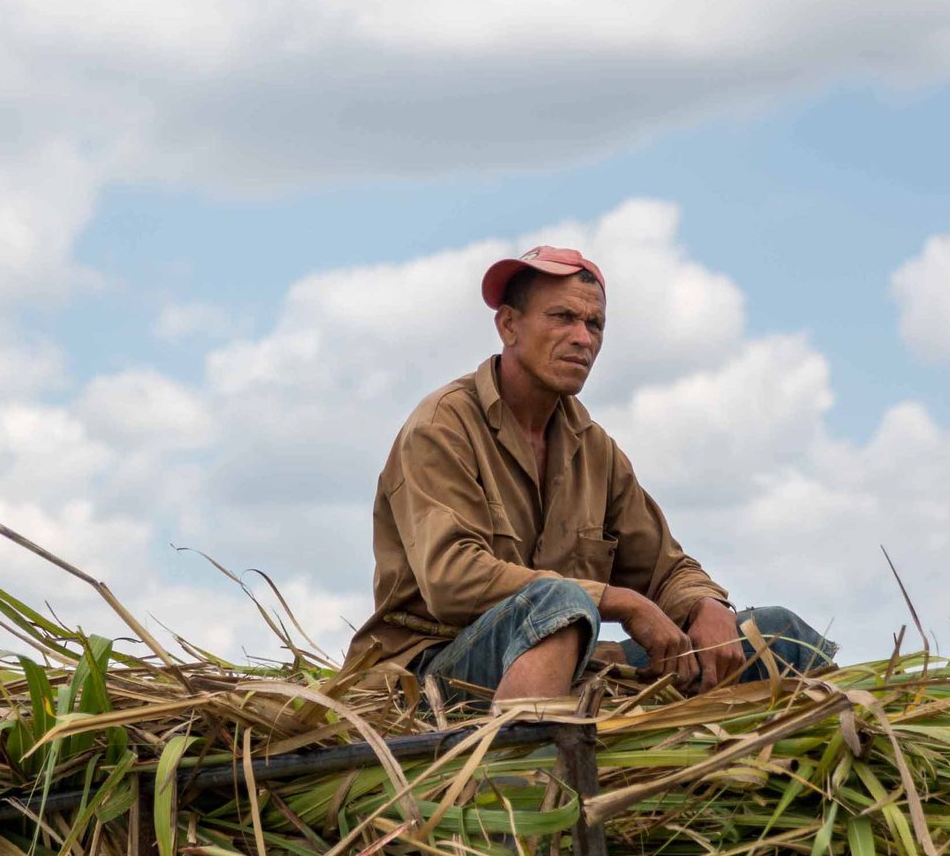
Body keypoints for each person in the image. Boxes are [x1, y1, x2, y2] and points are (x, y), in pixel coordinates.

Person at [343, 243, 834, 703]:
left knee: (776, 634)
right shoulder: (442, 427)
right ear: (509, 326)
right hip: (431, 672)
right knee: (559, 604)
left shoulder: (595, 449)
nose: (582, 337)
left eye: (594, 324)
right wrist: (619, 601)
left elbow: (665, 567)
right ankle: (522, 777)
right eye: (562, 318)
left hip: (572, 657)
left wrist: (706, 606)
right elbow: (452, 579)